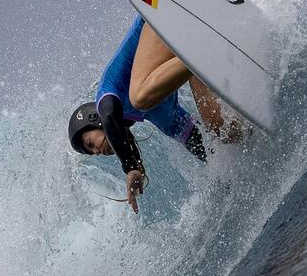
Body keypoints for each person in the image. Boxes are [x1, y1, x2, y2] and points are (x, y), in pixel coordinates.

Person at [67, 14, 243, 213]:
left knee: (139, 97)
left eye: (91, 144)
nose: (96, 151)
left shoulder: (107, 95)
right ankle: (214, 55)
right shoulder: (160, 116)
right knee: (223, 132)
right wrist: (231, 179)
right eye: (92, 152)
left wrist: (130, 166)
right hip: (186, 48)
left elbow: (109, 115)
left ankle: (200, 49)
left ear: (94, 119)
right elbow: (205, 148)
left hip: (157, 18)